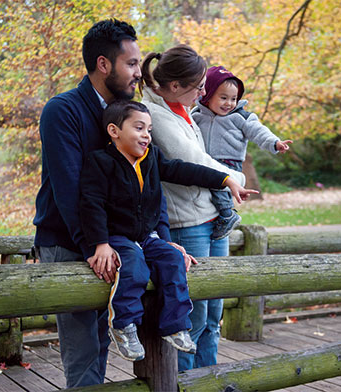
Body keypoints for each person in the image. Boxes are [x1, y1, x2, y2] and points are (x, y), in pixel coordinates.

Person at [32, 19, 179, 387]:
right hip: (69, 243)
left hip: (120, 244)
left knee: (119, 342)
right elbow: (69, 190)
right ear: (103, 64)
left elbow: (149, 184)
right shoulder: (62, 111)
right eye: (131, 64)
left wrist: (159, 237)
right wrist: (95, 248)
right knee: (85, 354)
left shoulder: (129, 115)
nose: (138, 73)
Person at [79, 100, 257, 362]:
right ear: (114, 131)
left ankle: (175, 325)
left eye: (149, 130)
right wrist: (100, 243)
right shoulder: (100, 162)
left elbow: (182, 170)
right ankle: (124, 325)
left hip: (147, 236)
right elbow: (90, 203)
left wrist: (225, 180)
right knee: (134, 266)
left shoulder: (151, 157)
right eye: (139, 128)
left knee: (173, 259)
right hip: (117, 237)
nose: (146, 135)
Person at [140, 44, 247, 371]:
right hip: (188, 224)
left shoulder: (181, 107)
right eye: (198, 86)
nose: (204, 92)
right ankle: (185, 382)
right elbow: (192, 161)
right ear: (174, 86)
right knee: (194, 317)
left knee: (214, 314)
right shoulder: (156, 114)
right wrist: (235, 177)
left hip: (212, 219)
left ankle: (209, 378)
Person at [192, 65, 293, 240]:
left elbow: (258, 131)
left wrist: (274, 143)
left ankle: (227, 215)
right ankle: (217, 216)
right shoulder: (196, 115)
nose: (229, 103)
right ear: (207, 95)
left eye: (233, 98)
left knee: (218, 184)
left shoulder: (241, 117)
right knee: (206, 185)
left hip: (229, 161)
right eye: (223, 98)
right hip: (206, 159)